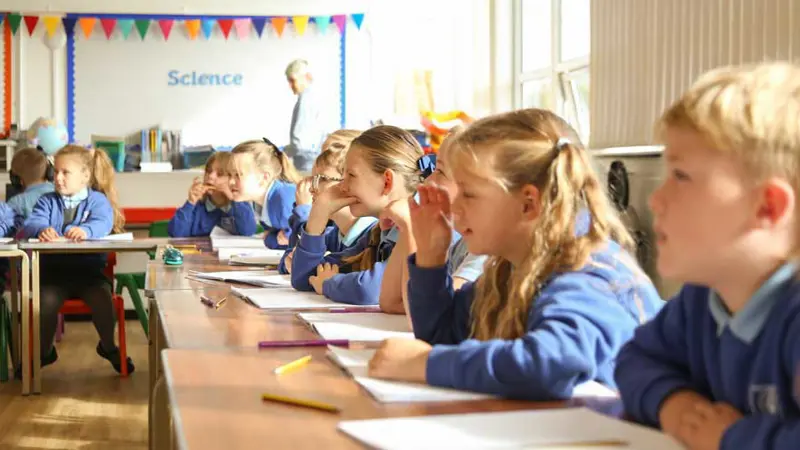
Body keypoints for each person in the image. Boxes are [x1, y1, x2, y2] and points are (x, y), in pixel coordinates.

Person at [366, 109, 663, 400]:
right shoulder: (512, 267)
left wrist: (425, 364)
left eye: (469, 194)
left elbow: (550, 363)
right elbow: (444, 334)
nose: (454, 208)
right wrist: (432, 257)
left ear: (528, 204)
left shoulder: (588, 271)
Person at [615, 62, 800, 450]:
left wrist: (729, 438)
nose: (656, 199)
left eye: (681, 176)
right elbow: (636, 360)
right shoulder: (704, 299)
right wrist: (674, 404)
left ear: (767, 207)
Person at [21, 145, 133, 374]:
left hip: (89, 276)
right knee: (45, 305)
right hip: (53, 277)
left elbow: (103, 222)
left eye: (65, 173)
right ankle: (44, 353)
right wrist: (42, 229)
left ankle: (108, 346)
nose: (58, 178)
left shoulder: (98, 201)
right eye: (56, 172)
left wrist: (86, 231)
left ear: (85, 176)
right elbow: (32, 222)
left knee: (104, 302)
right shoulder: (47, 201)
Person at [290, 125, 424, 305]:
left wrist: (329, 284)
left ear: (387, 182)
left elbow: (371, 289)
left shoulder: (420, 227)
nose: (342, 187)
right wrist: (319, 213)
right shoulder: (380, 232)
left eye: (351, 175)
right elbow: (304, 277)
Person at [229, 139, 302, 249]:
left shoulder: (283, 198)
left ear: (264, 177)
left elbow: (302, 239)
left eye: (238, 175)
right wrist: (276, 238)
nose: (230, 181)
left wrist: (281, 237)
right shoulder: (260, 203)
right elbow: (272, 241)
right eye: (229, 175)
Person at [167, 152, 256, 237]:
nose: (211, 176)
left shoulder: (240, 205)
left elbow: (248, 231)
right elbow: (176, 233)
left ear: (233, 180)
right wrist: (190, 203)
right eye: (208, 171)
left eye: (220, 174)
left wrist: (234, 198)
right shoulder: (197, 207)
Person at [284, 59, 327, 172]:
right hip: (313, 159)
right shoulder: (315, 97)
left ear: (307, 77)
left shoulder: (306, 101)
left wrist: (285, 152)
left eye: (293, 80)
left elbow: (300, 143)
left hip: (307, 162)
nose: (290, 85)